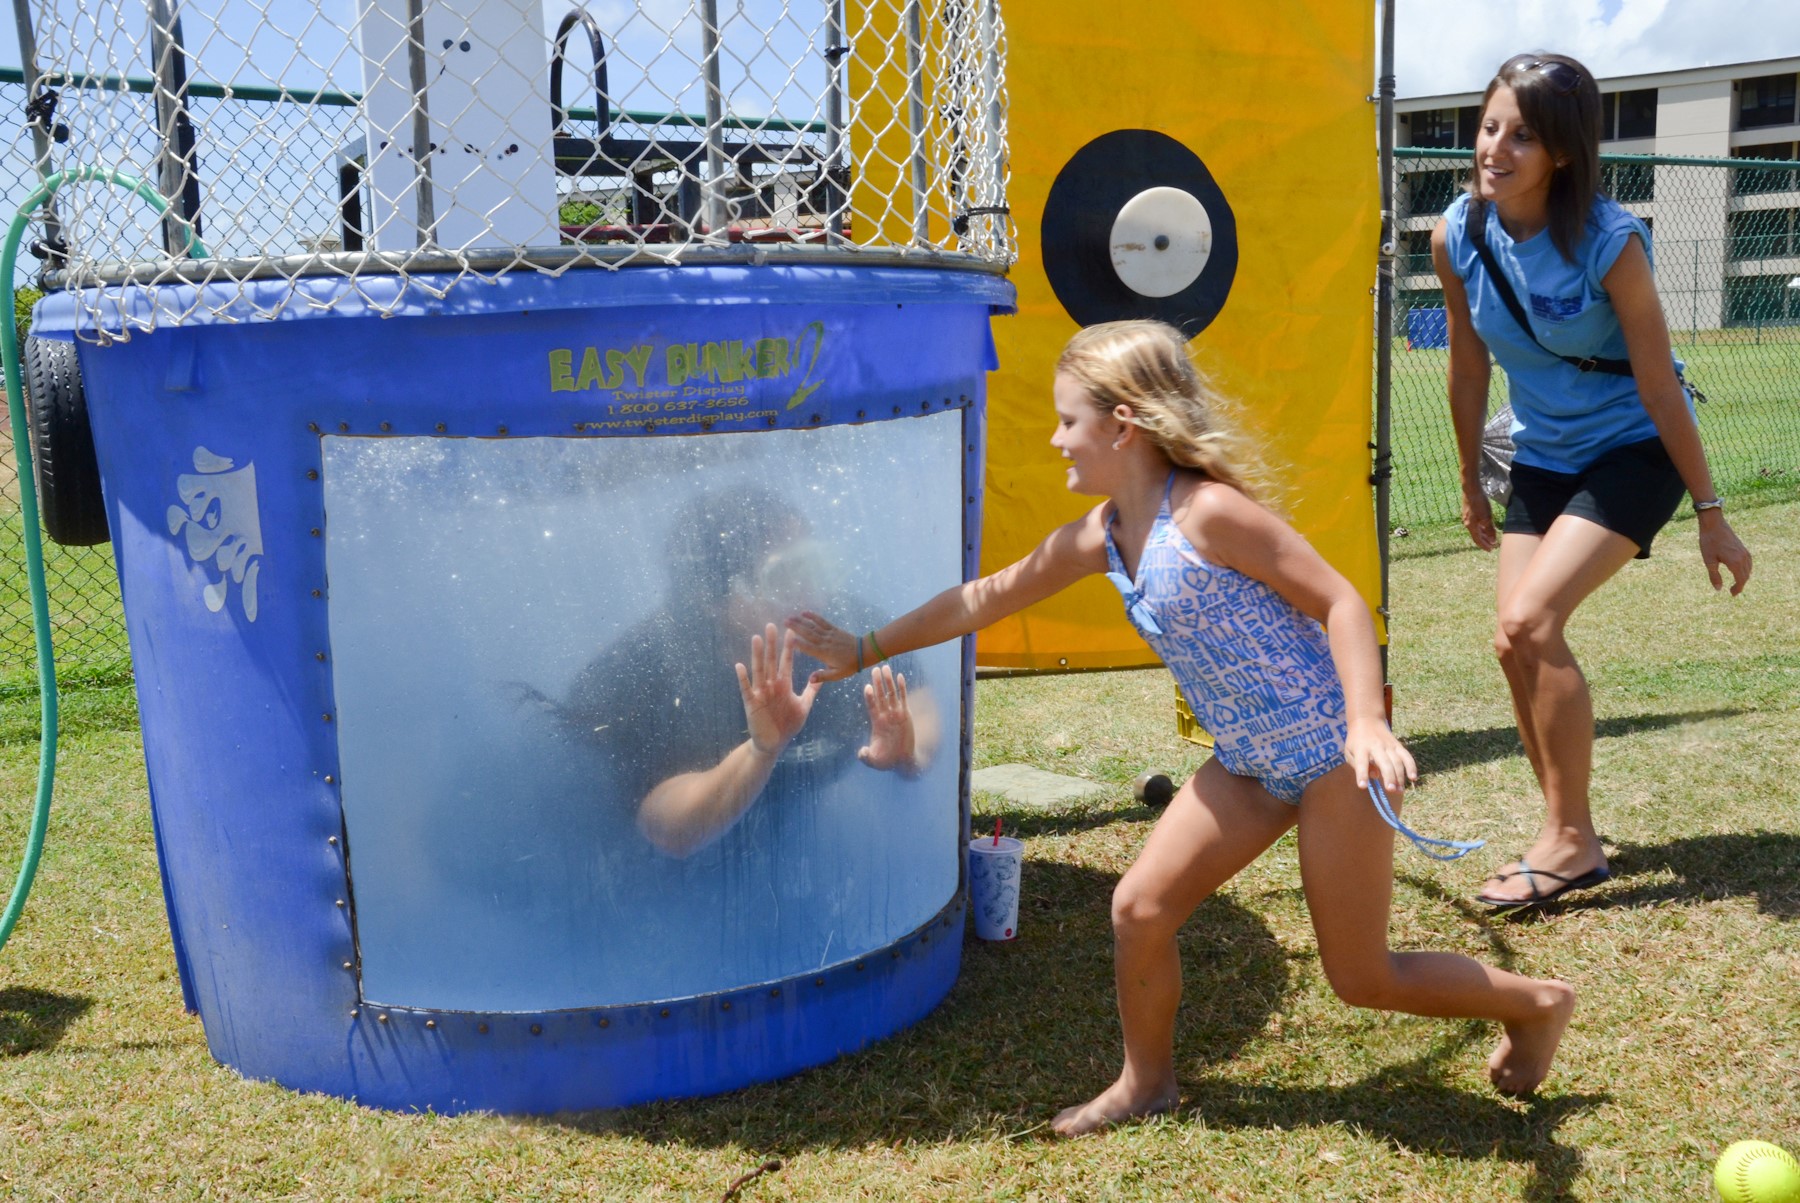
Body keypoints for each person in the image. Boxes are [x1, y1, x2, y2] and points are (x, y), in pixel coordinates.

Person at [787, 320, 1576, 1136]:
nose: (1055, 439)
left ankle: (1538, 1002)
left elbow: (1341, 600)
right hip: (1248, 763)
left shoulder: (1209, 513)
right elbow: (986, 596)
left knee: (1361, 977)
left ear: (1121, 424)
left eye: (1067, 420)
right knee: (1138, 908)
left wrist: (1368, 722)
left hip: (1334, 759)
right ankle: (1146, 1082)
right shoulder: (1104, 534)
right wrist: (863, 647)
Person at [1430, 53, 1753, 910]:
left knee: (1532, 621)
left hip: (1633, 450)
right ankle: (1566, 827)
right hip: (1540, 452)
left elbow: (1658, 385)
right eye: (1490, 126)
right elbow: (1467, 365)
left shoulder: (1611, 241)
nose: (1494, 148)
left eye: (1522, 137)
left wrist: (1711, 513)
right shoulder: (1457, 234)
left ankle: (1569, 840)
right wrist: (1469, 478)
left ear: (1564, 153)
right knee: (1510, 641)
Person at [521, 487, 939, 858]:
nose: (816, 592)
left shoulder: (843, 631)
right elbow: (669, 834)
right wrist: (760, 752)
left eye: (815, 566)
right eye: (786, 575)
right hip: (648, 867)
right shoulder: (643, 677)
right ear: (710, 597)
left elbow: (917, 703)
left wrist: (910, 754)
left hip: (781, 824)